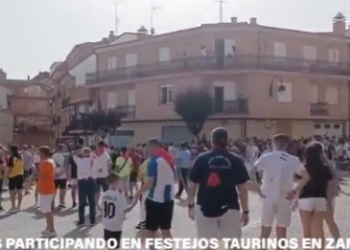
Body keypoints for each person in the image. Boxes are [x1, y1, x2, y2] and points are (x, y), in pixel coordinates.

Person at [188, 127, 249, 244]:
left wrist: (191, 205)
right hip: (230, 207)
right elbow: (242, 188)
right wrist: (245, 211)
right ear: (227, 141)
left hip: (205, 206)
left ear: (211, 141)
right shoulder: (235, 160)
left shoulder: (201, 159)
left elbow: (192, 184)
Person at [252, 133, 309, 246]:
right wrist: (295, 191)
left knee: (265, 228)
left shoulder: (266, 157)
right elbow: (306, 176)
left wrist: (257, 187)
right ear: (286, 145)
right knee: (282, 229)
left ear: (273, 144)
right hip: (286, 195)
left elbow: (252, 171)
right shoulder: (292, 159)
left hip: (267, 194)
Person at [133, 138, 176, 244]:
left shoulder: (154, 161)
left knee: (149, 230)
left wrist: (138, 192)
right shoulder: (170, 159)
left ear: (153, 147)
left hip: (155, 199)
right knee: (166, 231)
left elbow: (149, 182)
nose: (147, 150)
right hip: (169, 199)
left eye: (148, 147)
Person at [298, 142, 336, 245]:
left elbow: (299, 184)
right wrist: (328, 201)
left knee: (306, 228)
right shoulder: (325, 167)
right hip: (320, 198)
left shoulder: (302, 167)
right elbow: (329, 187)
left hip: (305, 199)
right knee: (319, 229)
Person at [101, 173, 136, 249]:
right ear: (116, 182)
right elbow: (126, 209)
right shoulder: (119, 196)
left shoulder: (104, 195)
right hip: (116, 226)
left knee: (109, 246)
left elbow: (102, 207)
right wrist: (134, 203)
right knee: (115, 246)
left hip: (106, 224)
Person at [37, 146, 57, 238]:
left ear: (43, 153)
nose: (38, 154)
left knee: (48, 211)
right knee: (46, 210)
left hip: (47, 189)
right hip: (46, 188)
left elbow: (47, 176)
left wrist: (38, 173)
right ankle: (48, 227)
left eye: (40, 152)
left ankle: (52, 230)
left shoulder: (46, 163)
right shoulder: (49, 161)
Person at [75, 147, 96, 226]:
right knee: (92, 202)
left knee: (82, 202)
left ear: (83, 153)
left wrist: (80, 152)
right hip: (91, 181)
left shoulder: (79, 160)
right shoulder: (93, 161)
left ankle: (81, 220)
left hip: (82, 182)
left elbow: (75, 155)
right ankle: (92, 220)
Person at [92, 141, 111, 208]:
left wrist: (109, 171)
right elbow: (91, 163)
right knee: (96, 191)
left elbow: (109, 164)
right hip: (96, 176)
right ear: (98, 147)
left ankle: (106, 204)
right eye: (100, 147)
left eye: (103, 148)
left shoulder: (106, 155)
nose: (102, 149)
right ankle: (96, 205)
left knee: (106, 191)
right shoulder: (93, 154)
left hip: (105, 176)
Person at [7, 145, 24, 213]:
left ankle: (13, 206)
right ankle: (19, 206)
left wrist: (7, 175)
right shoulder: (21, 156)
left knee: (12, 191)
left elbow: (10, 168)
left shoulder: (11, 158)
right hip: (20, 174)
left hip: (13, 175)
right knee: (19, 190)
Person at [52, 144, 68, 208]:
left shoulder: (53, 156)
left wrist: (55, 173)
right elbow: (65, 166)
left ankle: (52, 202)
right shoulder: (65, 156)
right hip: (62, 176)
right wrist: (61, 173)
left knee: (53, 190)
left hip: (54, 175)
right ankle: (61, 202)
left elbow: (52, 165)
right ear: (63, 148)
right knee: (62, 190)